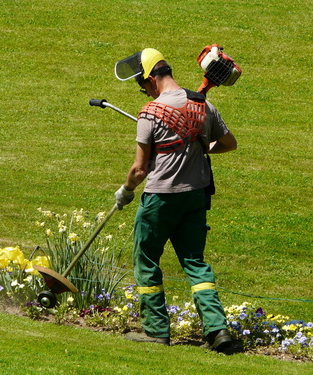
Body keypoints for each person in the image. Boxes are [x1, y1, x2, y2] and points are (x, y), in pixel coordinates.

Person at [114, 48, 237, 352]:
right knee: (195, 263)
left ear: (151, 78)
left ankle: (156, 331)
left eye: (141, 84)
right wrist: (199, 149)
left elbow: (140, 168)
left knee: (146, 260)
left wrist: (126, 190)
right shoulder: (203, 104)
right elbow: (228, 144)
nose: (143, 90)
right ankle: (217, 330)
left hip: (160, 199)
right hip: (195, 196)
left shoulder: (149, 113)